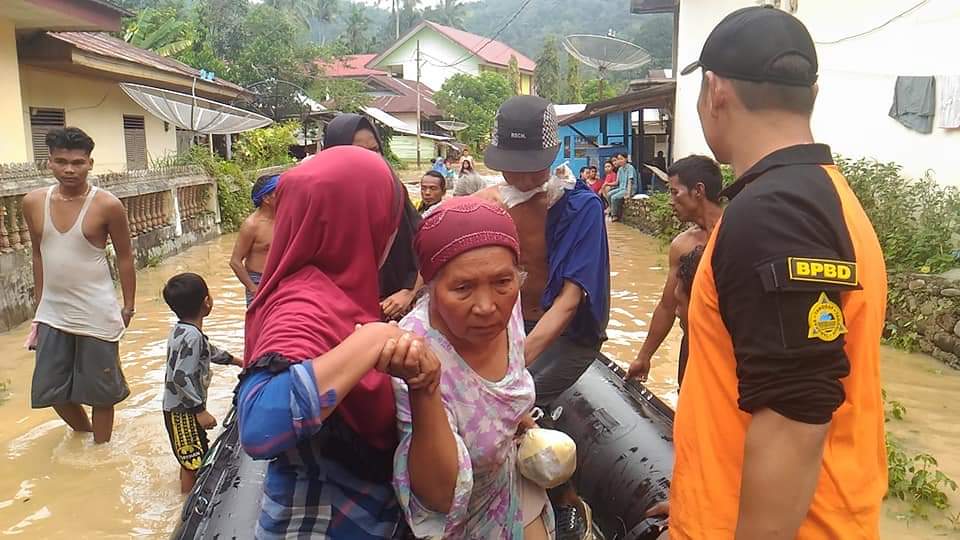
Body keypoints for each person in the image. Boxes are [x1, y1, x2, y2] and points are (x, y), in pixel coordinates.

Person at [665, 7, 887, 539]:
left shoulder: (774, 212)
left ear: (714, 90)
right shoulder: (821, 195)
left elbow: (794, 416)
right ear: (813, 94)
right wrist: (696, 491)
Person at [236, 146, 440, 538]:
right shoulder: (304, 304)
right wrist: (375, 340)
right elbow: (259, 425)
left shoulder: (340, 294)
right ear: (365, 221)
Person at [479, 95, 610, 539]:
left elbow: (570, 302)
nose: (518, 175)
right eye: (510, 164)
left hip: (565, 336)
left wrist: (514, 365)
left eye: (530, 164)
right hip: (510, 330)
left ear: (552, 156)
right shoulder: (488, 204)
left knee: (513, 401)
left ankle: (567, 503)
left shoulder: (580, 208)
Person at [393, 197, 554, 539]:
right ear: (432, 287)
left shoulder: (505, 304)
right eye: (462, 288)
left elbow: (504, 389)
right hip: (458, 520)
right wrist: (425, 386)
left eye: (503, 282)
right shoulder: (414, 352)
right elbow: (439, 497)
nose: (486, 307)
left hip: (508, 485)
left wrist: (527, 427)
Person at [22, 127, 136, 444]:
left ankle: (101, 455)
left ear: (90, 163)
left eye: (77, 162)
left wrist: (128, 306)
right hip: (53, 311)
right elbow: (38, 254)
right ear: (49, 163)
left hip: (97, 310)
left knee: (102, 392)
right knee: (50, 388)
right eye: (61, 161)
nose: (69, 169)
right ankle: (84, 436)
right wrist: (39, 305)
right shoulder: (33, 203)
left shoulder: (107, 205)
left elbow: (126, 257)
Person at [626, 155, 723, 386]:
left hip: (728, 349)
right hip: (692, 346)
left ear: (698, 190)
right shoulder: (682, 244)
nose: (670, 200)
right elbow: (668, 306)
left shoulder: (737, 234)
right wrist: (644, 356)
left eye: (674, 192)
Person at [323, 113, 422, 321]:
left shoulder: (394, 193)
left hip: (394, 313)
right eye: (360, 152)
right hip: (337, 317)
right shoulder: (317, 201)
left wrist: (410, 291)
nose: (372, 159)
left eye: (375, 150)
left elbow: (426, 247)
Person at [161, 272, 240, 493]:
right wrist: (199, 410)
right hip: (183, 411)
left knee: (191, 454)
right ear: (207, 302)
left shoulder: (181, 330)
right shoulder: (193, 336)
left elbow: (208, 352)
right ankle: (185, 504)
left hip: (179, 408)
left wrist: (238, 361)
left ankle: (184, 493)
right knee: (193, 461)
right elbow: (180, 377)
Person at [230, 174, 277, 307]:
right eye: (278, 192)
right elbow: (235, 262)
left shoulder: (285, 218)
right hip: (258, 280)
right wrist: (253, 288)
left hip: (280, 279)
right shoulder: (252, 225)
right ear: (266, 198)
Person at [607, 153, 637, 221]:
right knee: (609, 194)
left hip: (628, 189)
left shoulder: (630, 168)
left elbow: (630, 182)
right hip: (621, 188)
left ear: (626, 159)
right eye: (618, 159)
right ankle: (612, 210)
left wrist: (628, 194)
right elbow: (617, 182)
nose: (620, 161)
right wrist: (607, 184)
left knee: (614, 197)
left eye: (621, 159)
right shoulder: (620, 169)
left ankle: (614, 215)